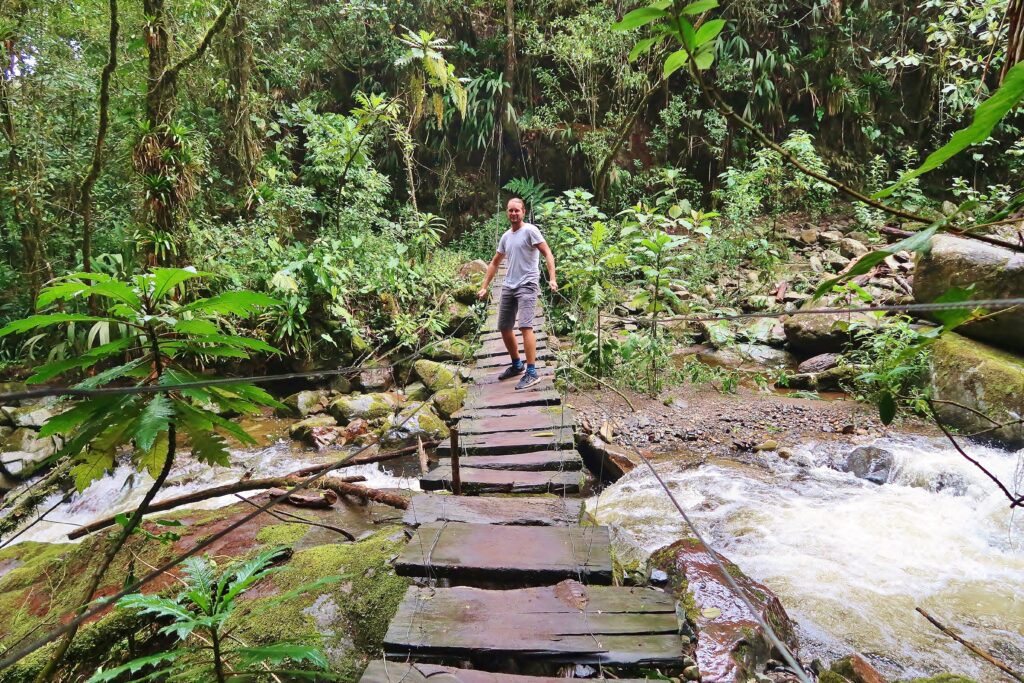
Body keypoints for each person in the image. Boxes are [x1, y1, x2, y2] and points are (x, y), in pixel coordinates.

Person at [477, 197, 558, 390]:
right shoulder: (506, 236)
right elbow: (495, 262)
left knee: (525, 326)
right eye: (510, 210)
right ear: (507, 212)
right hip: (508, 285)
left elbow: (547, 253)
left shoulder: (530, 231)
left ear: (524, 212)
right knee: (504, 327)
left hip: (528, 284)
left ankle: (532, 372)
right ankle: (516, 364)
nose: (513, 213)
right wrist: (484, 286)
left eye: (517, 210)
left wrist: (552, 278)